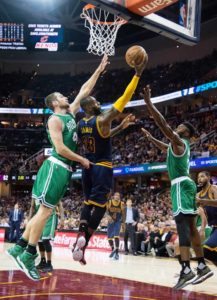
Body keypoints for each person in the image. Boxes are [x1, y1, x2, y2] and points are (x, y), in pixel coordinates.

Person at [6, 55, 109, 281]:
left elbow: (84, 89)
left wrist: (99, 70)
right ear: (54, 103)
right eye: (61, 96)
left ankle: (19, 247)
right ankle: (28, 254)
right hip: (56, 166)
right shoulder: (54, 119)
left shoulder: (70, 113)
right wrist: (81, 159)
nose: (66, 97)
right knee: (45, 212)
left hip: (63, 170)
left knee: (46, 211)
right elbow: (60, 148)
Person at [72, 61, 146, 265]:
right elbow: (125, 98)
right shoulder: (102, 118)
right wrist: (137, 75)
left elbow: (103, 137)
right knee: (101, 207)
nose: (98, 103)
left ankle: (81, 242)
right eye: (95, 102)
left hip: (87, 167)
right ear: (89, 107)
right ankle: (84, 239)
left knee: (88, 203)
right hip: (102, 167)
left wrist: (121, 127)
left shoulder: (80, 124)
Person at [141, 85, 213, 290]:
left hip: (181, 185)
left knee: (183, 226)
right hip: (184, 185)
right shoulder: (177, 146)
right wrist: (150, 138)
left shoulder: (180, 142)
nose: (177, 126)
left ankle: (185, 269)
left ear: (186, 132)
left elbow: (163, 124)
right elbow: (163, 146)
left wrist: (148, 103)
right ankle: (201, 265)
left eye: (181, 126)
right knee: (190, 228)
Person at [28, 198, 64, 272]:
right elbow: (32, 207)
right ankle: (42, 261)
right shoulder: (35, 192)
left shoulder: (50, 189)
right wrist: (29, 219)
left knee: (45, 240)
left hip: (50, 217)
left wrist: (62, 219)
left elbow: (60, 204)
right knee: (40, 241)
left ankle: (49, 264)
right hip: (40, 218)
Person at [197, 171, 217, 268]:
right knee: (207, 253)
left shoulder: (213, 188)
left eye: (202, 176)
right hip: (214, 226)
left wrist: (202, 201)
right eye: (198, 177)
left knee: (207, 248)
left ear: (208, 177)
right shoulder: (198, 195)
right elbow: (202, 213)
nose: (199, 179)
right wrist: (202, 228)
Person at [107, 192, 124, 260]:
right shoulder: (110, 202)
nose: (117, 196)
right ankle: (113, 250)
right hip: (111, 221)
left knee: (116, 236)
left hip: (117, 222)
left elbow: (123, 214)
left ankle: (117, 253)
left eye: (118, 195)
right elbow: (106, 211)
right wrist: (107, 216)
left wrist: (122, 223)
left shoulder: (121, 203)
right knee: (109, 238)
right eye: (116, 195)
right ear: (113, 196)